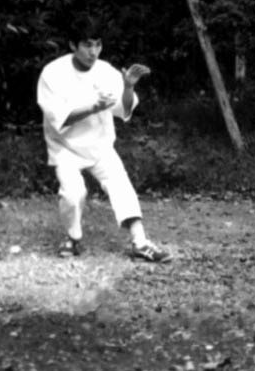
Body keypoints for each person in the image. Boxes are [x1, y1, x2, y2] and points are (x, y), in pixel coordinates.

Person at [37, 17, 172, 261]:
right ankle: (74, 238)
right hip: (65, 148)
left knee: (120, 183)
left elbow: (124, 111)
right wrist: (92, 107)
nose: (93, 51)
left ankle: (140, 242)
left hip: (99, 145)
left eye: (98, 44)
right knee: (73, 192)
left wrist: (129, 87)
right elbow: (58, 118)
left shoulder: (106, 71)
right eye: (87, 45)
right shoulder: (52, 74)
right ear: (72, 45)